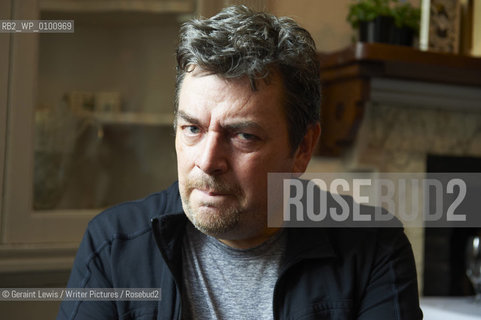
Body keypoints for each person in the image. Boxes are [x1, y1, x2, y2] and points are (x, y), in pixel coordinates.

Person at [58, 5, 423, 320]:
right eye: (192, 128)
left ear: (302, 148)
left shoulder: (374, 248)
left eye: (243, 136)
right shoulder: (114, 245)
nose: (207, 161)